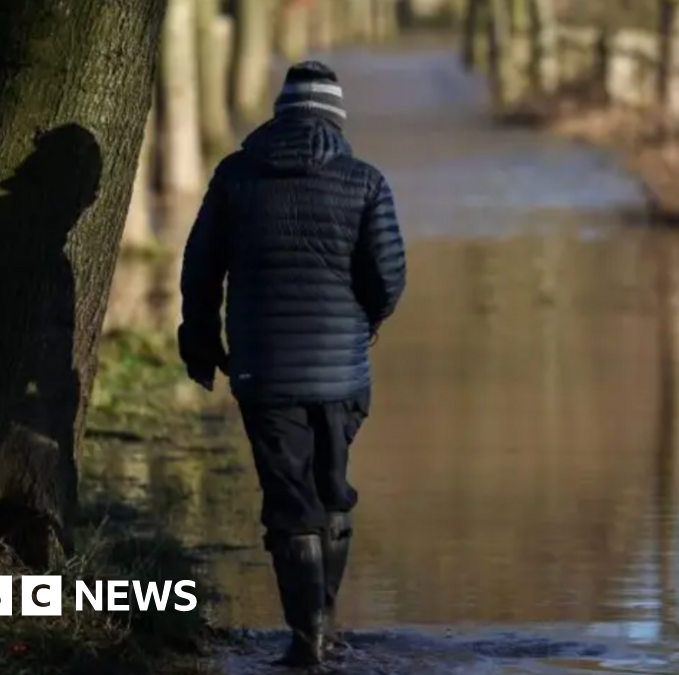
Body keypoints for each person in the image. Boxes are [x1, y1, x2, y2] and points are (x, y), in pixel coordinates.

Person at [176, 60, 407, 667]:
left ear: (279, 115)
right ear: (335, 119)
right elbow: (388, 277)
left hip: (263, 370)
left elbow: (200, 270)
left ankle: (307, 641)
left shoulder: (235, 177)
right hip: (343, 373)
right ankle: (325, 628)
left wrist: (199, 343)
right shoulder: (365, 182)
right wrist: (368, 320)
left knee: (289, 500)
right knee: (332, 492)